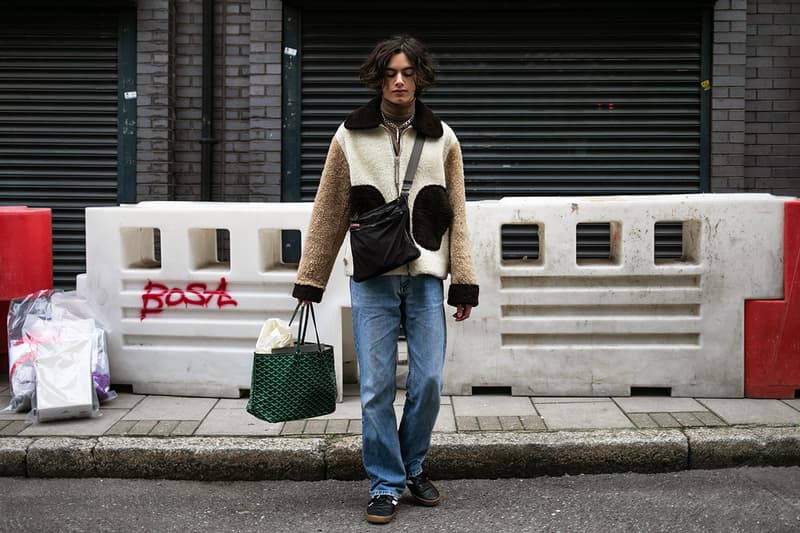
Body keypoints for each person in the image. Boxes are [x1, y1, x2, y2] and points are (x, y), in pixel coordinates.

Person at [292, 34, 479, 525]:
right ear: (379, 78)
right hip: (372, 275)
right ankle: (386, 482)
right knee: (375, 387)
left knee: (430, 381)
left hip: (425, 275)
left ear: (419, 78)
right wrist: (311, 278)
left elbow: (458, 212)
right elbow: (329, 209)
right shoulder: (349, 136)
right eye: (391, 73)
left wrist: (464, 280)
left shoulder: (443, 137)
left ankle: (412, 465)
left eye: (408, 73)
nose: (399, 81)